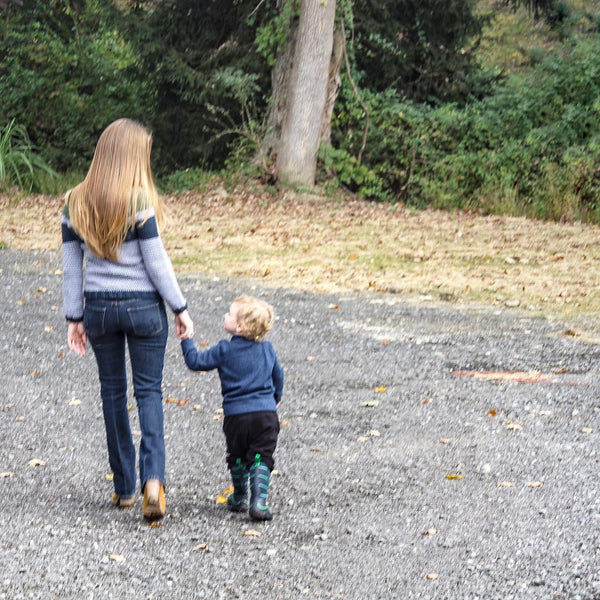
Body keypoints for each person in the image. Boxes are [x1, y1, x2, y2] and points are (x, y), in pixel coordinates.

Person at [61, 118, 194, 521]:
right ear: (133, 156)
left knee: (112, 393)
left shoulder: (74, 201)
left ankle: (123, 488)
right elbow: (156, 261)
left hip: (99, 308)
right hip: (142, 308)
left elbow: (71, 267)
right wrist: (180, 306)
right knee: (149, 392)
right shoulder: (138, 200)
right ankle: (153, 480)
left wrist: (74, 317)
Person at [181, 295, 283, 521]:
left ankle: (240, 496)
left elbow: (195, 362)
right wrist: (276, 397)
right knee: (261, 457)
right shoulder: (267, 349)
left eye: (229, 313)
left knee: (237, 455)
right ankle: (259, 501)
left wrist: (187, 339)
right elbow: (278, 376)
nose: (225, 315)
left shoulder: (224, 350)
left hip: (236, 416)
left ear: (240, 326)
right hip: (266, 415)